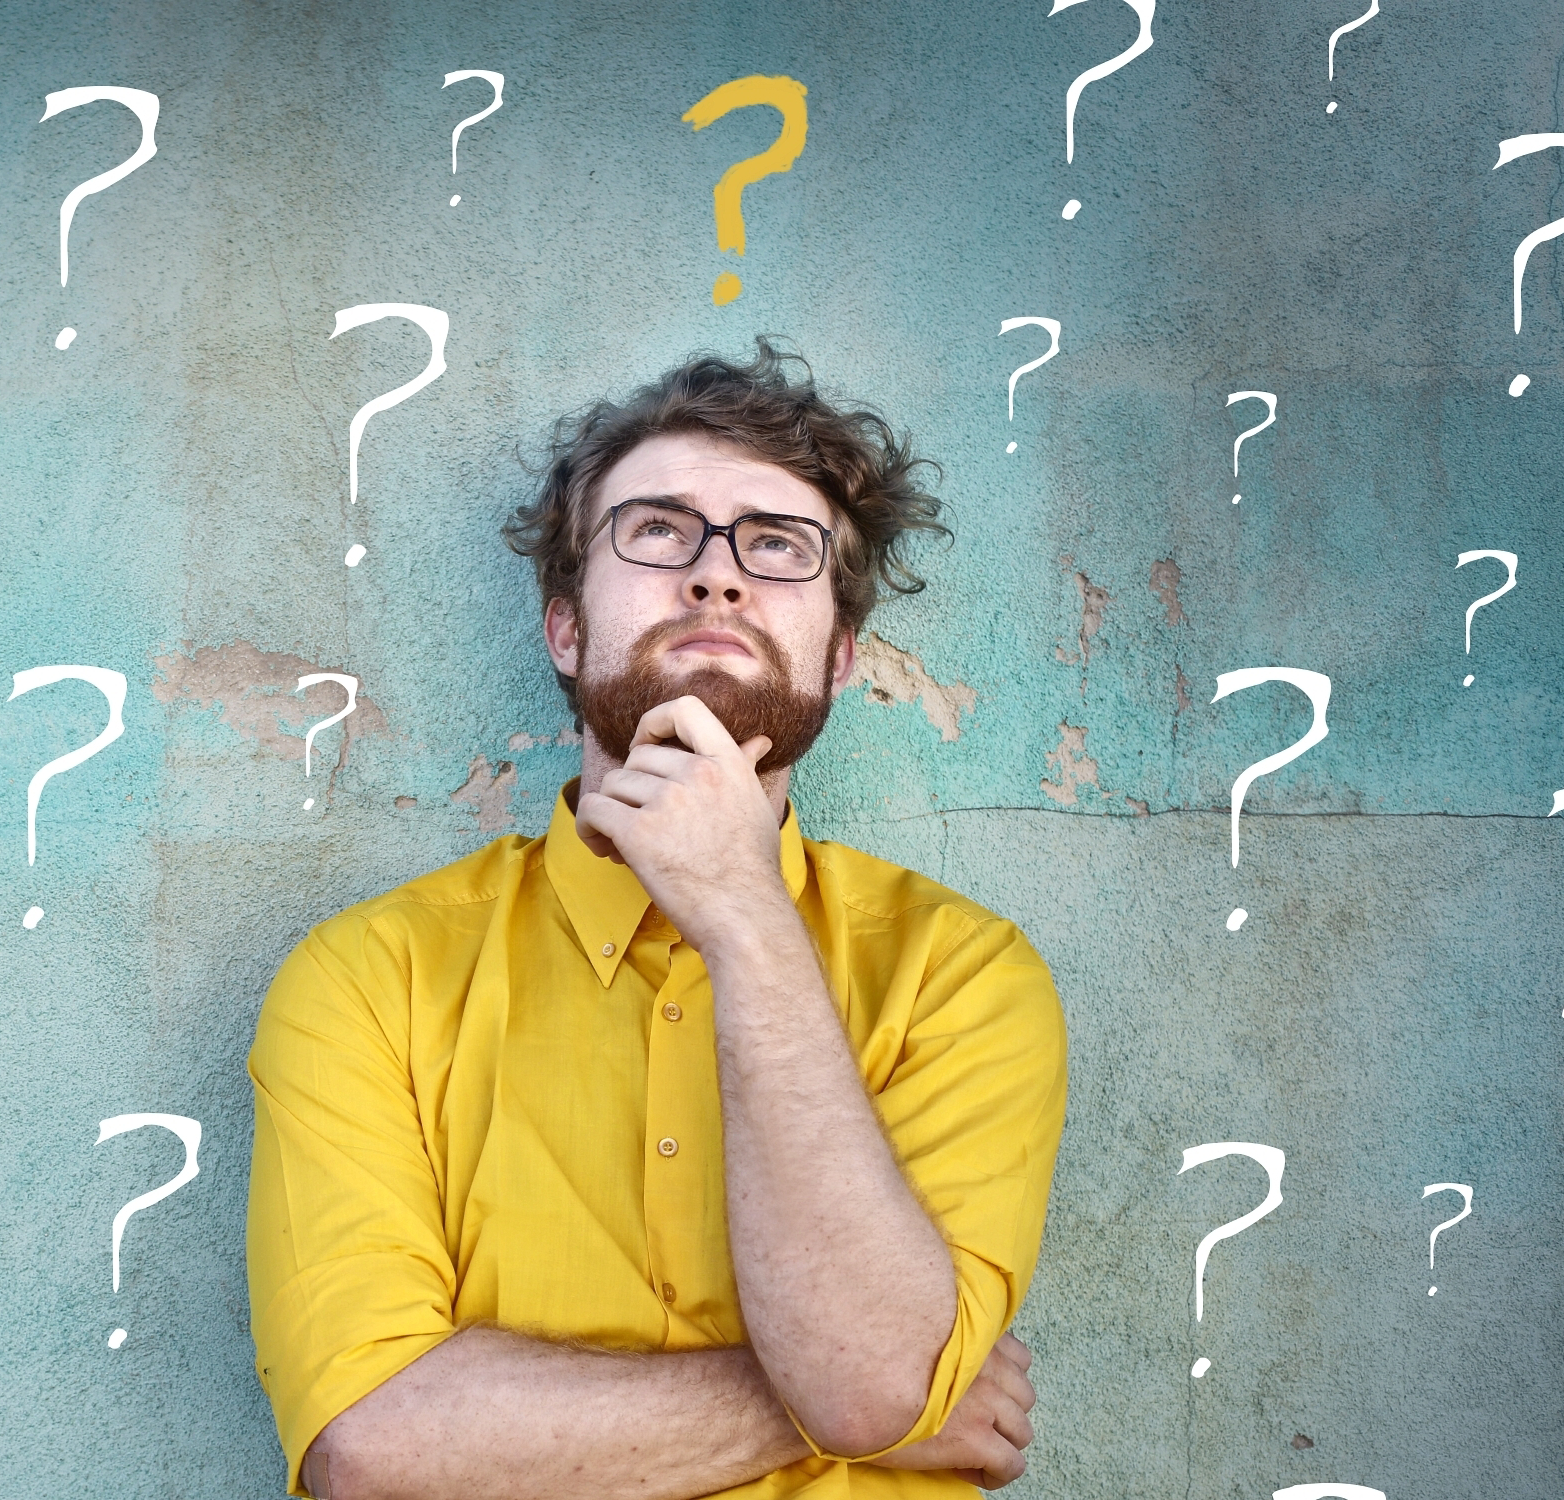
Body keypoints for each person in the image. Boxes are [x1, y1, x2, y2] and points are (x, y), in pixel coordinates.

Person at [245, 342, 1067, 1500]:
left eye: (777, 546)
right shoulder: (371, 977)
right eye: (658, 531)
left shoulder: (962, 975)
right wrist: (844, 1408)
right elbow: (375, 1456)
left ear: (839, 659)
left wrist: (742, 913)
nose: (717, 578)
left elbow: (877, 1384)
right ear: (566, 628)